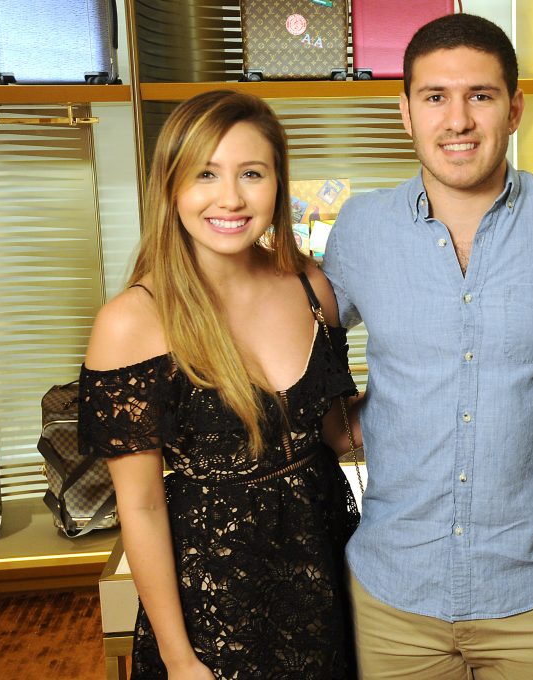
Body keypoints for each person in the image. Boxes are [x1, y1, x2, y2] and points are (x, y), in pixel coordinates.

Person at [321, 13, 533, 680]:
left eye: (479, 96)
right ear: (406, 112)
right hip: (392, 595)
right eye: (435, 97)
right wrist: (344, 424)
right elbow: (300, 346)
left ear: (513, 110)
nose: (457, 120)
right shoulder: (362, 227)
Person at [78, 90, 360, 680]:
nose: (230, 198)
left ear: (278, 184)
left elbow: (338, 435)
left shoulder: (311, 285)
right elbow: (143, 505)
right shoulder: (132, 322)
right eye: (206, 174)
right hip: (218, 609)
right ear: (171, 186)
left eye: (251, 173)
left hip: (329, 576)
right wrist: (181, 659)